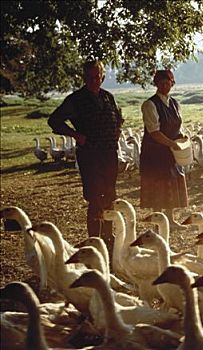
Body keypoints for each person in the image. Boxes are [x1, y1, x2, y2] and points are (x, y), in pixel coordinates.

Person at [48, 60, 123, 244]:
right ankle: (94, 240)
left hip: (109, 154)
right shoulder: (75, 100)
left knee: (110, 195)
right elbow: (54, 121)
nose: (93, 80)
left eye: (96, 76)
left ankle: (108, 236)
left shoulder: (108, 97)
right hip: (90, 155)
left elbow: (117, 117)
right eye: (89, 77)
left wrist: (117, 129)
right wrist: (75, 135)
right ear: (84, 77)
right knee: (95, 196)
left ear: (102, 77)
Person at [140, 69, 188, 228]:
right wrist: (172, 144)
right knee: (158, 186)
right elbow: (154, 132)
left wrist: (181, 137)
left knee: (171, 183)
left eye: (168, 83)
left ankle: (170, 220)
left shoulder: (175, 103)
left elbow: (176, 126)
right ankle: (157, 223)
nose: (165, 86)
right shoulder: (150, 105)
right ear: (156, 84)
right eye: (161, 83)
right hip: (155, 151)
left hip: (171, 150)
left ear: (172, 84)